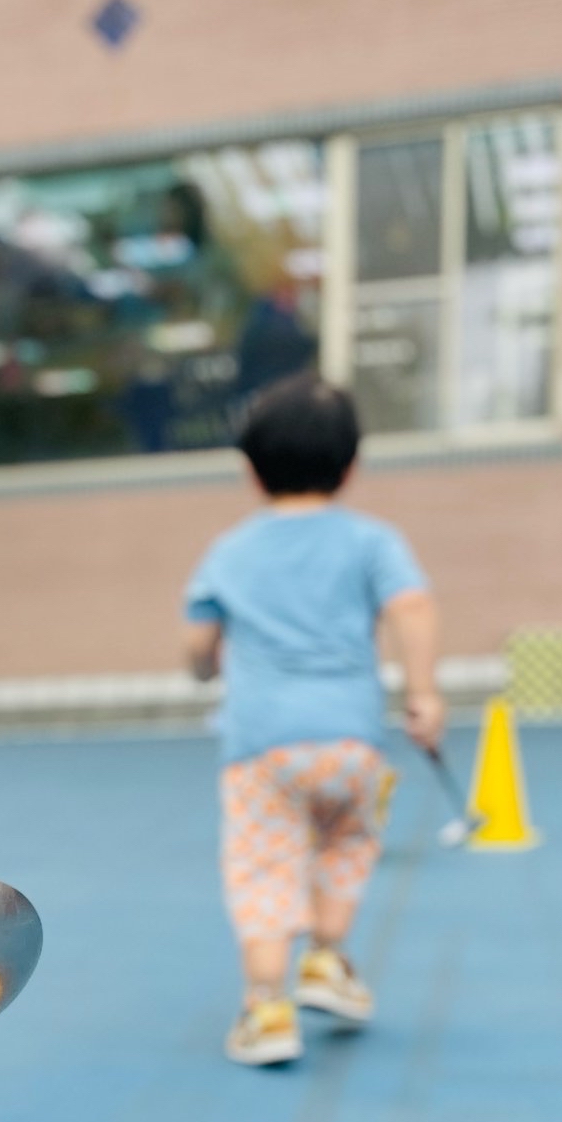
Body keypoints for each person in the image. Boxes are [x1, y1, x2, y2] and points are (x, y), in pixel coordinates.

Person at [184, 374, 442, 1066]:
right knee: (345, 846)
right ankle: (326, 959)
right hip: (352, 741)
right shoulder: (371, 541)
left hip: (261, 747)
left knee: (264, 869)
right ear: (351, 466)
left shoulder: (229, 551)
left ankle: (267, 1006)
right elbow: (411, 607)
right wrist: (423, 694)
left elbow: (199, 642)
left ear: (250, 470)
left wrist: (205, 668)